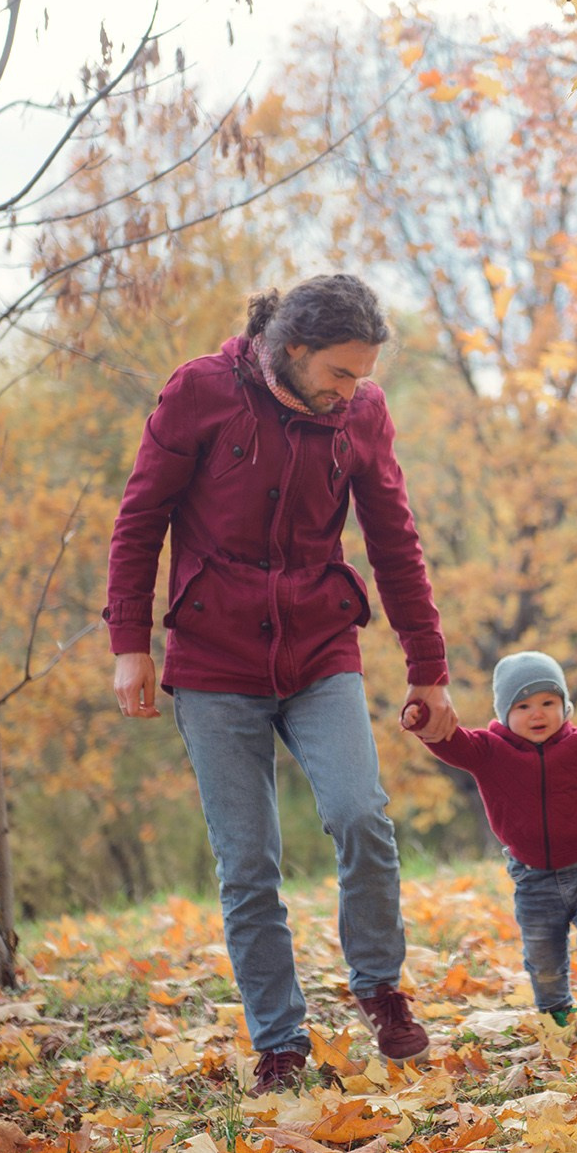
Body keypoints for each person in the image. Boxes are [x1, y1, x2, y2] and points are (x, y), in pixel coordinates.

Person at [105, 273, 458, 1094]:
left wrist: (427, 667)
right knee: (248, 861)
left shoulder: (360, 415)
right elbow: (140, 517)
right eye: (340, 372)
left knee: (360, 815)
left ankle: (378, 988)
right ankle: (280, 1042)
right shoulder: (200, 392)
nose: (353, 390)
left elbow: (394, 540)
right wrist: (130, 643)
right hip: (213, 660)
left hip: (318, 648)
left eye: (364, 375)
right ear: (290, 350)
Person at [402, 651, 577, 1037]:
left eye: (549, 702)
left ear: (564, 706)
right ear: (504, 712)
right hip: (533, 877)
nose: (538, 714)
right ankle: (556, 1016)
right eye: (524, 705)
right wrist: (423, 718)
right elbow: (449, 743)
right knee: (543, 956)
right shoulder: (487, 750)